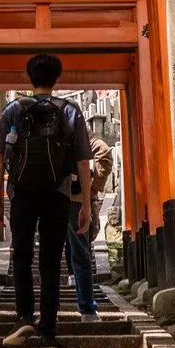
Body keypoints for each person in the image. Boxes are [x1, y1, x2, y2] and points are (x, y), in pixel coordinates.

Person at [0, 53, 92, 348]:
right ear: (56, 79)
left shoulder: (12, 110)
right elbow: (83, 162)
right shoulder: (71, 111)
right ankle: (48, 328)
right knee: (51, 261)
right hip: (58, 193)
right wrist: (86, 203)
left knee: (21, 255)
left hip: (22, 191)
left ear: (30, 78)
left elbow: (0, 158)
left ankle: (24, 316)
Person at [62, 125, 113, 318]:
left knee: (48, 258)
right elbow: (104, 153)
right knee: (82, 254)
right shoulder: (81, 132)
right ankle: (87, 309)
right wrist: (92, 190)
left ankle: (46, 312)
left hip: (48, 199)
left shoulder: (45, 126)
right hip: (76, 200)